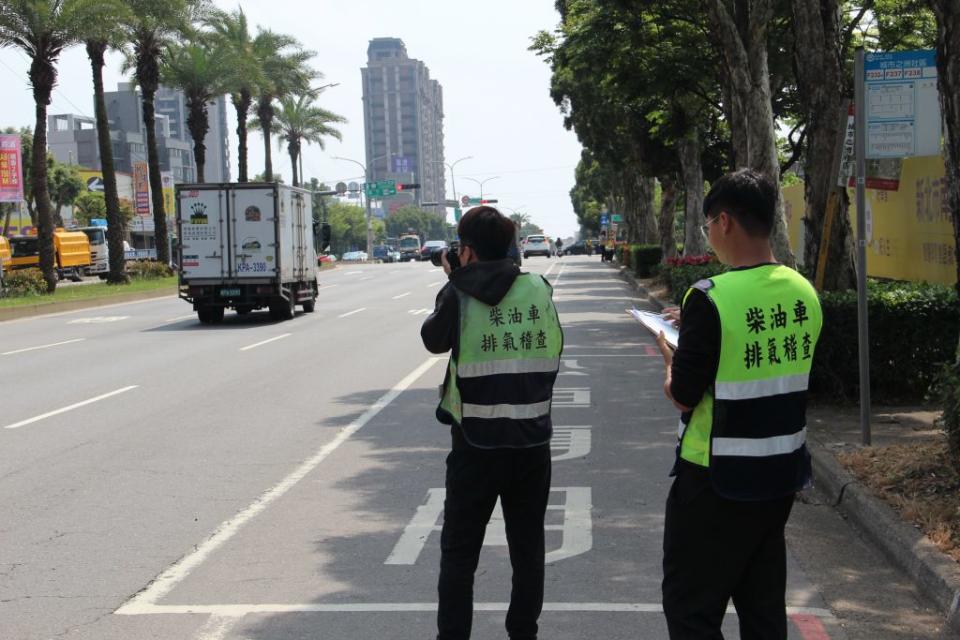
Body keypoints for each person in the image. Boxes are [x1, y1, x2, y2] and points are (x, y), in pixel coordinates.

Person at [655, 169, 823, 640]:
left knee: (692, 611)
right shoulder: (803, 292)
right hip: (780, 476)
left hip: (714, 480)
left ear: (724, 221)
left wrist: (672, 361)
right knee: (763, 607)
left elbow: (684, 394)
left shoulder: (710, 298)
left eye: (709, 223)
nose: (709, 233)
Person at [421, 206, 564, 640]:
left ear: (467, 251)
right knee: (528, 549)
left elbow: (433, 340)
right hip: (531, 442)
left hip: (475, 446)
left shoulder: (459, 294)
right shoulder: (539, 286)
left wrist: (453, 280)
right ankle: (524, 633)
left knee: (460, 555)